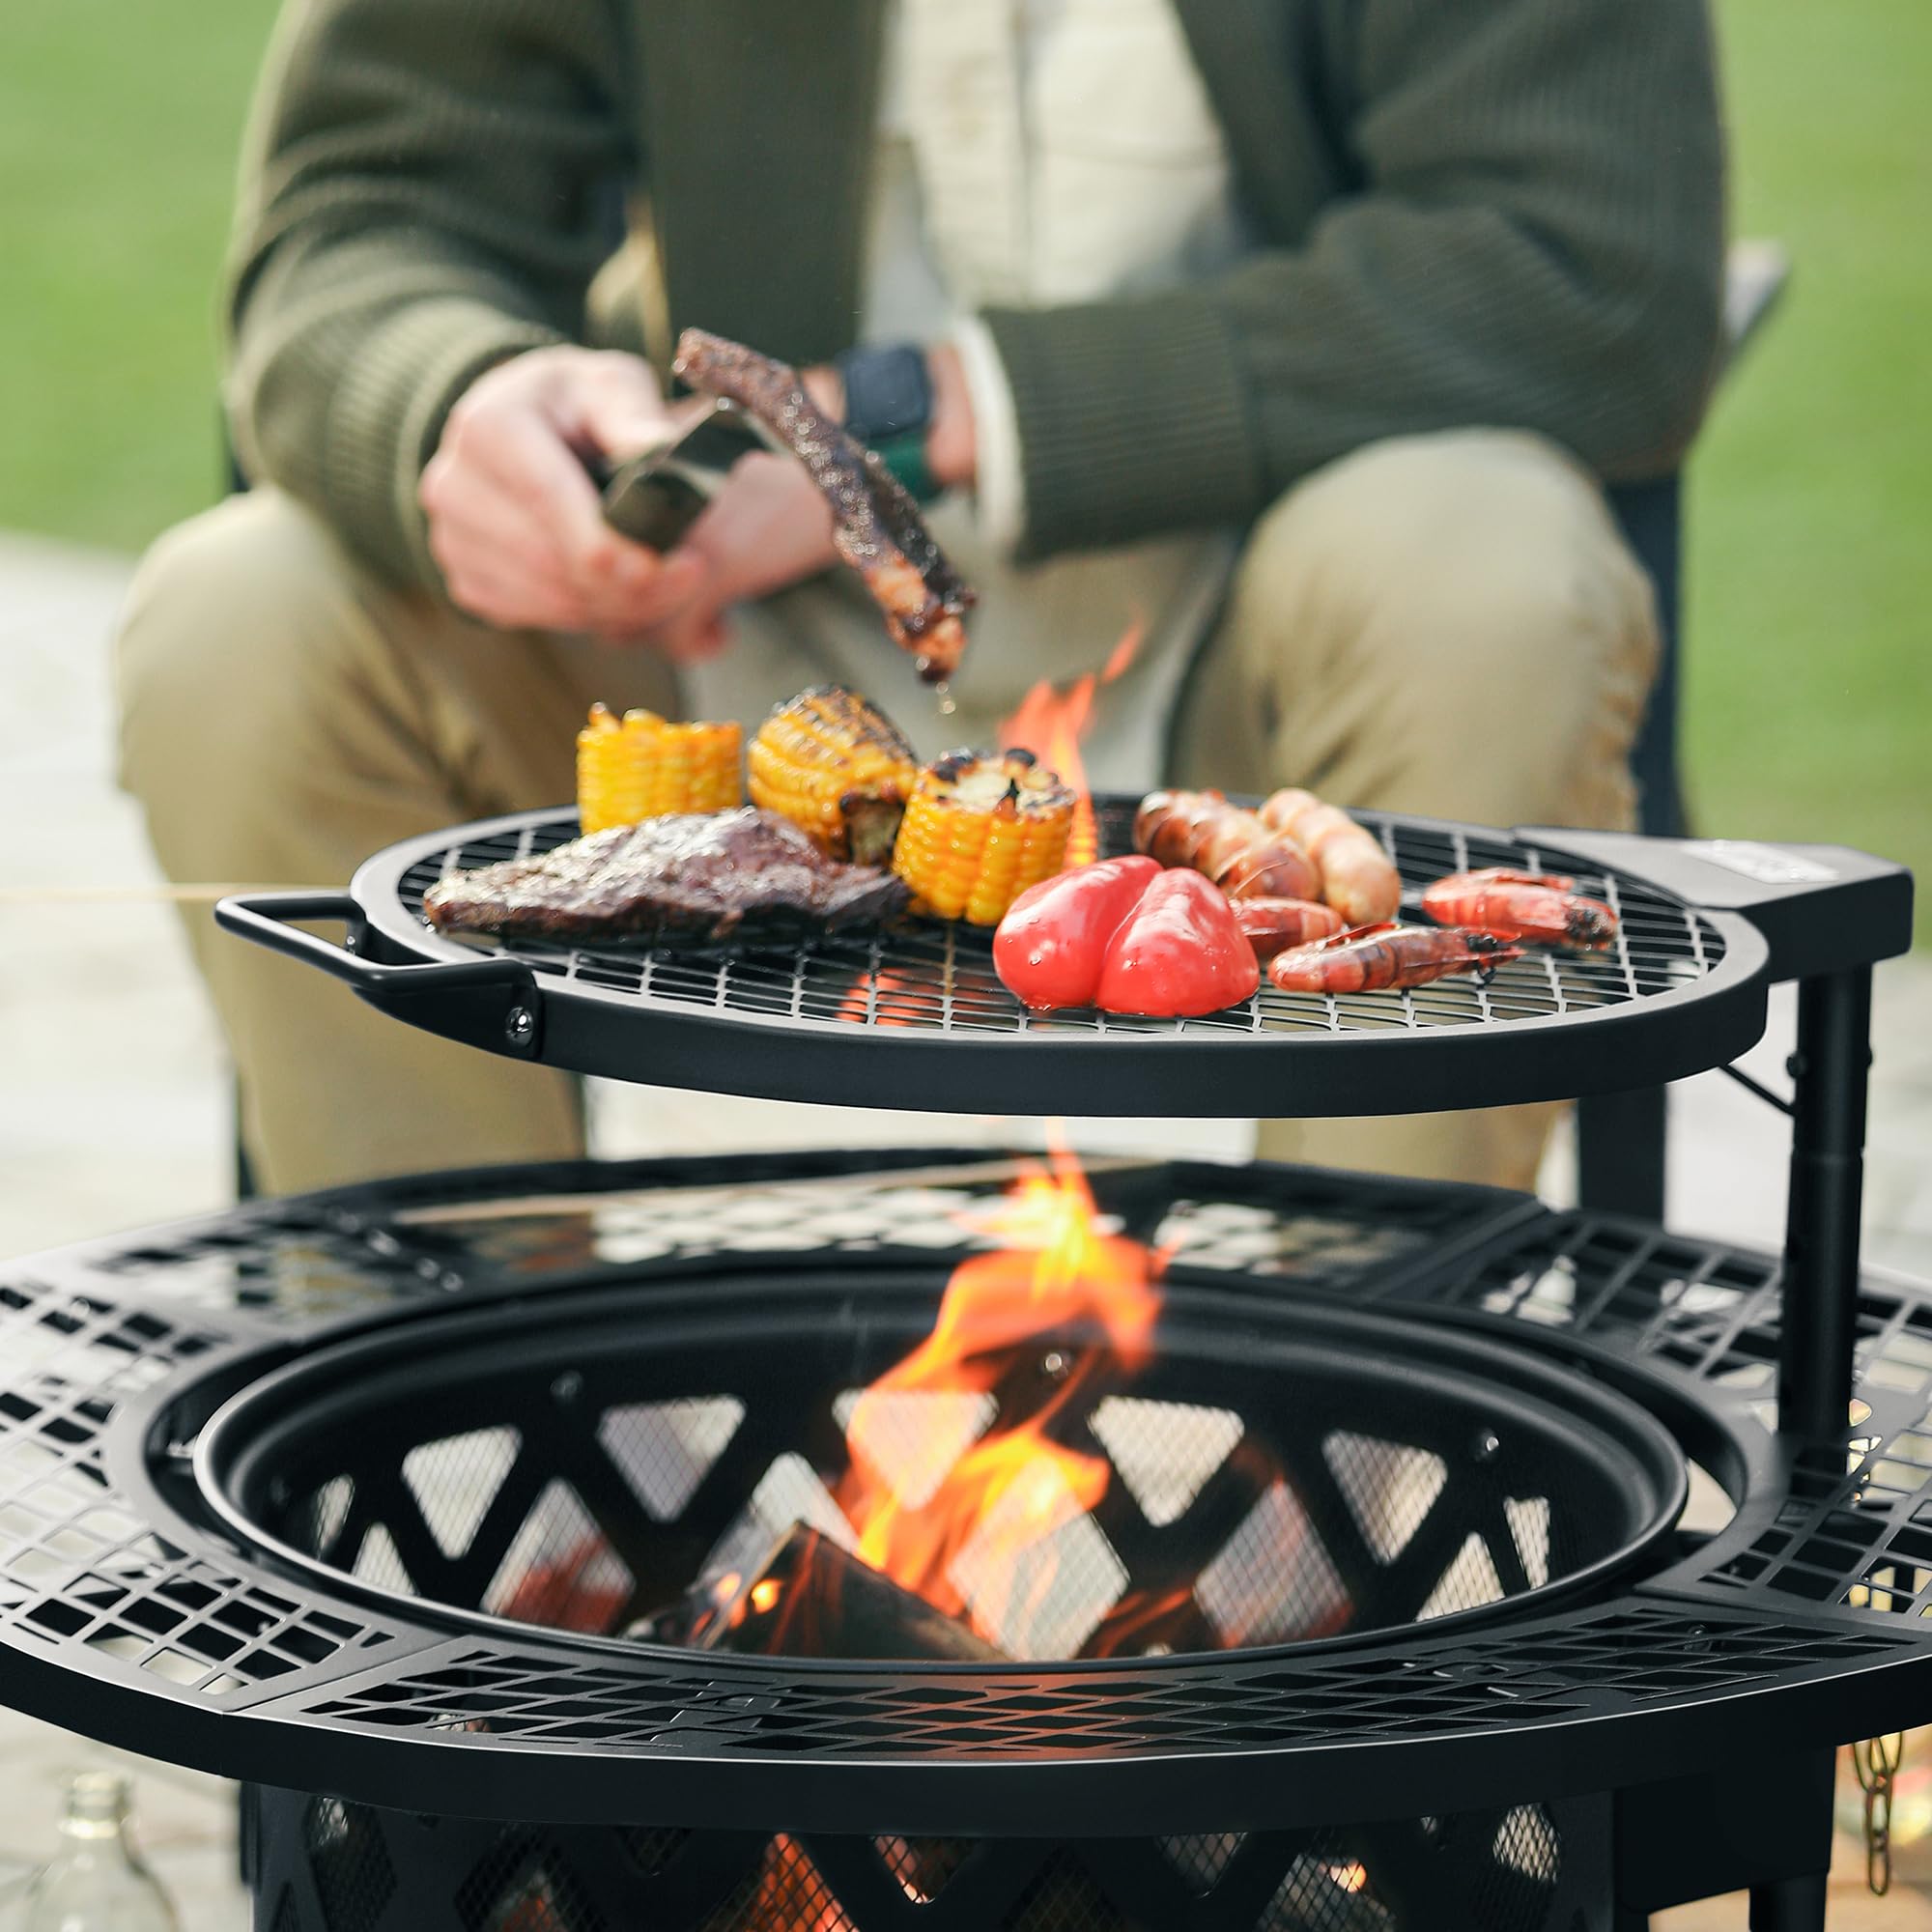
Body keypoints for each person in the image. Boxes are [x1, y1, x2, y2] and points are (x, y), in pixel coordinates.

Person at [115, 0, 1726, 1197]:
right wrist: (455, 400)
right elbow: (361, 220)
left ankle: (1358, 1481)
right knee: (243, 612)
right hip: (707, 644)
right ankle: (490, 1491)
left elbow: (1586, 269)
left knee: (1484, 568)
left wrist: (897, 415)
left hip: (1274, 649)